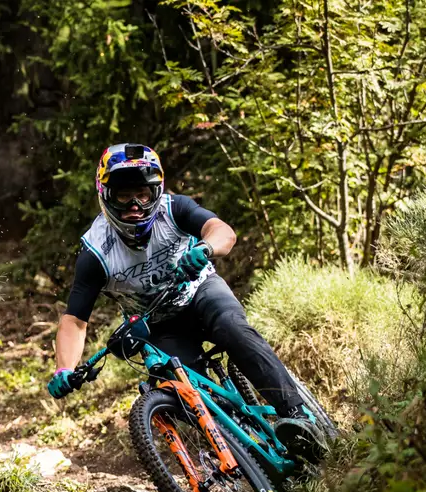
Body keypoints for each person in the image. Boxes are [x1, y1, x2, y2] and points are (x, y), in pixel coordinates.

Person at [46, 143, 325, 462]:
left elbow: (221, 231)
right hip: (160, 326)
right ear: (107, 195)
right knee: (181, 393)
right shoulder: (95, 252)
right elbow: (75, 320)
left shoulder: (174, 209)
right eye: (124, 195)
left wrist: (206, 248)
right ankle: (251, 456)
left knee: (233, 329)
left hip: (202, 293)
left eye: (143, 193)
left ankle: (301, 417)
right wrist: (63, 369)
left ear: (156, 192)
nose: (136, 204)